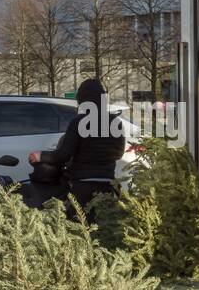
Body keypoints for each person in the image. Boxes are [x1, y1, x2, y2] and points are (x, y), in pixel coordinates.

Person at [28, 77, 126, 211]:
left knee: (79, 224)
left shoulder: (79, 122)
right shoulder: (116, 122)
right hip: (107, 183)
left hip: (83, 185)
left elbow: (63, 155)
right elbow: (119, 153)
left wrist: (40, 156)